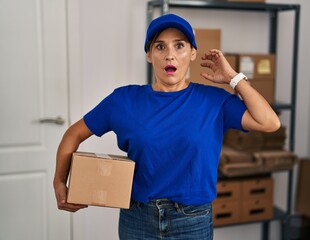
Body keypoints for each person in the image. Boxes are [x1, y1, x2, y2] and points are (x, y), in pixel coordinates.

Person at [53, 13, 280, 239]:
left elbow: (269, 122)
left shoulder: (214, 101)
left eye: (179, 46)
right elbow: (74, 133)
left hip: (193, 221)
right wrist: (59, 181)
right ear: (149, 55)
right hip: (137, 218)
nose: (169, 55)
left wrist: (233, 77)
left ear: (192, 53)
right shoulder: (123, 100)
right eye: (160, 47)